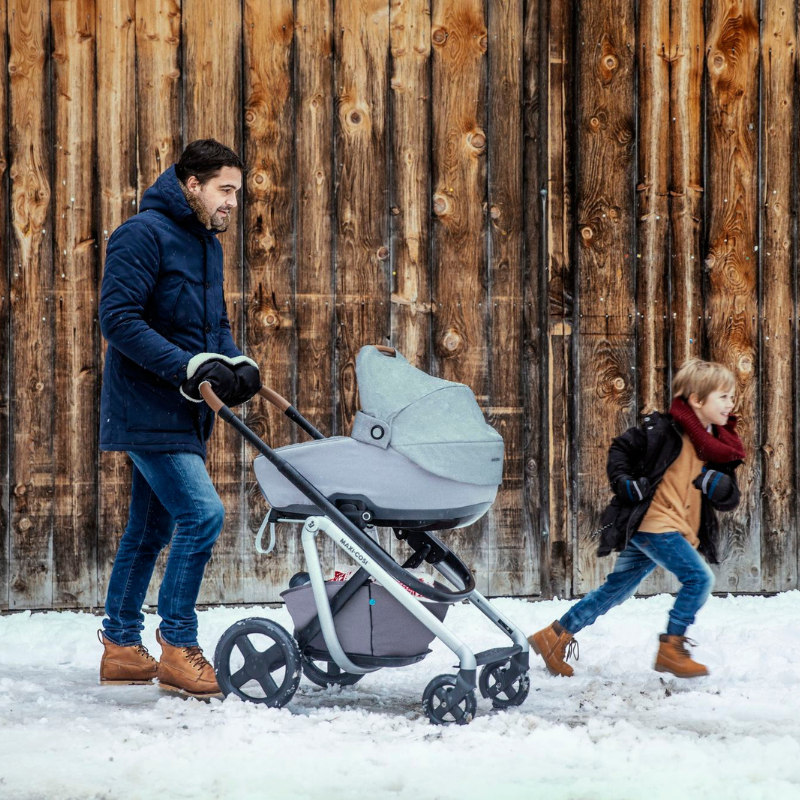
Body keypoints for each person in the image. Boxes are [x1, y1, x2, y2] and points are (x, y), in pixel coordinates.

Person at [97, 139, 261, 698]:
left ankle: (121, 646)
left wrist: (234, 361)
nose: (232, 201)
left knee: (151, 528)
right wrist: (186, 366)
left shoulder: (206, 244)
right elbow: (118, 319)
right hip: (145, 406)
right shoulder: (141, 235)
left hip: (185, 412)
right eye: (224, 189)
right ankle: (177, 644)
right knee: (201, 513)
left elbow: (214, 326)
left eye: (236, 191)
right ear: (192, 184)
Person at [529, 358, 745, 679]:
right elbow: (621, 449)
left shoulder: (717, 445)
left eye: (731, 397)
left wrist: (722, 488)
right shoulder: (662, 430)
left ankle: (554, 636)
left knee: (617, 589)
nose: (730, 404)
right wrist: (625, 483)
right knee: (699, 579)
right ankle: (671, 648)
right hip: (654, 524)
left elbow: (729, 498)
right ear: (697, 400)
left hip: (675, 528)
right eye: (723, 397)